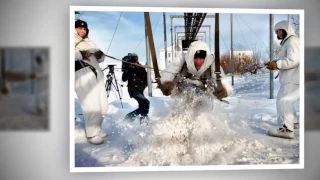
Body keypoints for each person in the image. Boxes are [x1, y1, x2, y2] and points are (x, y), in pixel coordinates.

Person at [158, 40, 233, 109]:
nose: (198, 61)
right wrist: (166, 82)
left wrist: (224, 90)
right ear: (190, 56)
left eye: (201, 58)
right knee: (188, 93)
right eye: (195, 58)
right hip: (182, 93)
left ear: (206, 58)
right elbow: (169, 71)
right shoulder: (182, 58)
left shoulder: (212, 63)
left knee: (203, 104)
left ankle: (205, 119)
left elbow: (222, 79)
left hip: (203, 94)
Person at [74, 19, 109, 145]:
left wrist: (100, 55)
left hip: (96, 73)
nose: (83, 31)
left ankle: (96, 128)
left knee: (103, 105)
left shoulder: (89, 41)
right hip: (81, 73)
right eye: (80, 28)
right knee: (91, 104)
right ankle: (91, 133)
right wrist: (80, 54)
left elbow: (98, 57)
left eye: (85, 29)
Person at [265, 20, 300, 139]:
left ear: (286, 29)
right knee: (285, 100)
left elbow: (293, 60)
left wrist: (277, 64)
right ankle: (293, 122)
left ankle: (287, 129)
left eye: (279, 30)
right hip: (291, 78)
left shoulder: (292, 40)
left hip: (293, 78)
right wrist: (275, 63)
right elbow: (287, 59)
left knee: (284, 101)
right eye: (276, 31)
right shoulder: (287, 42)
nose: (278, 33)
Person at [122, 53, 149, 124]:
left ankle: (142, 119)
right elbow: (124, 79)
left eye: (136, 58)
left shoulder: (141, 67)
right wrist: (127, 68)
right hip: (133, 90)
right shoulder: (129, 68)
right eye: (134, 58)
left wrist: (145, 84)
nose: (135, 60)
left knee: (143, 105)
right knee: (146, 102)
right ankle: (140, 118)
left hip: (140, 90)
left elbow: (146, 78)